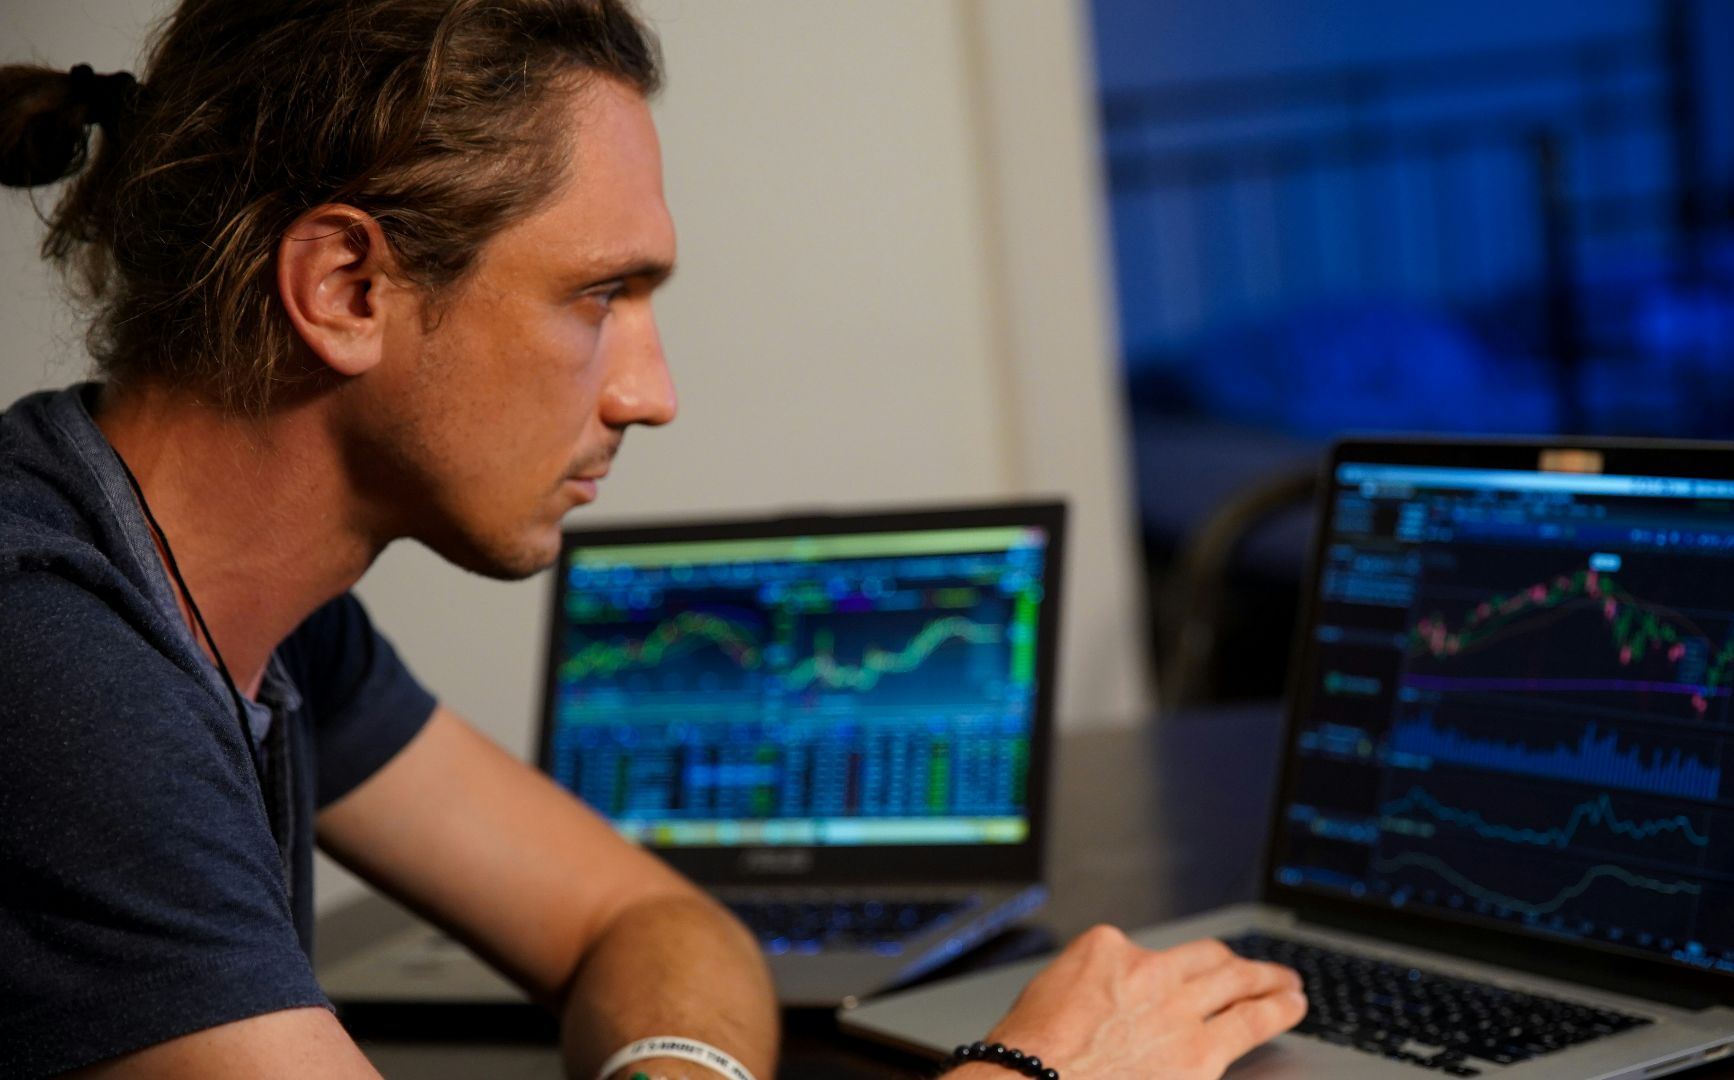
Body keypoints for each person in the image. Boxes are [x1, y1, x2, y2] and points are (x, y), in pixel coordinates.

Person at [0, 2, 1307, 1077]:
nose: (651, 393)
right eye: (600, 295)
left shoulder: (275, 626)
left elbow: (647, 918)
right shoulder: (51, 662)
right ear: (346, 288)